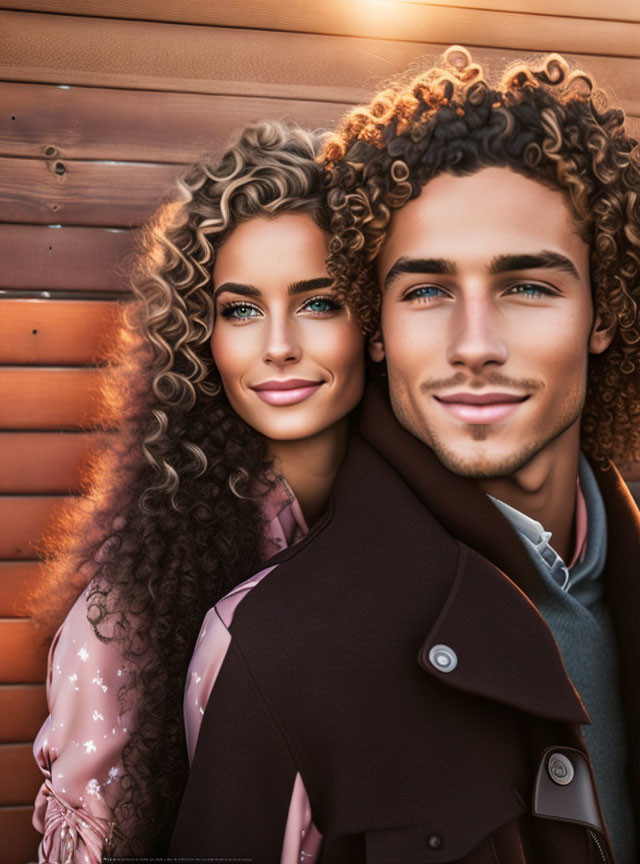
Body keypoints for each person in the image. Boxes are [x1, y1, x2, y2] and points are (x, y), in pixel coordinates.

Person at [169, 49, 640, 863]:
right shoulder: (277, 651)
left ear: (606, 310)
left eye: (528, 285)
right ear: (376, 328)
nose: (475, 346)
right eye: (426, 290)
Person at [30, 121, 364, 862]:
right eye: (240, 309)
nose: (278, 343)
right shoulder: (132, 609)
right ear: (198, 338)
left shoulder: (429, 523)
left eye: (318, 301)